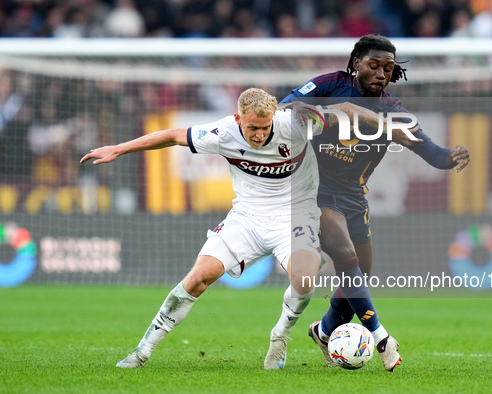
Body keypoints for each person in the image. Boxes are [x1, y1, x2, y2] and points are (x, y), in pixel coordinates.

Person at [80, 88, 327, 369]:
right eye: (252, 128)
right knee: (198, 278)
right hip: (247, 218)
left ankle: (280, 335)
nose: (259, 135)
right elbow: (172, 136)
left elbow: (343, 118)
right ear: (238, 119)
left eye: (265, 127)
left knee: (305, 280)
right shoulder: (223, 132)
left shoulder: (296, 125)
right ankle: (141, 351)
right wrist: (119, 148)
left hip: (296, 216)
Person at [265, 34, 470, 372]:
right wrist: (341, 110)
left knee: (360, 276)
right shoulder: (330, 84)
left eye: (388, 69)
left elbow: (430, 150)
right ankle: (383, 339)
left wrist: (450, 157)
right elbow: (285, 108)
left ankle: (324, 330)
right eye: (374, 66)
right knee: (348, 258)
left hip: (353, 196)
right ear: (357, 63)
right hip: (313, 190)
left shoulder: (392, 109)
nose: (381, 73)